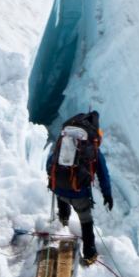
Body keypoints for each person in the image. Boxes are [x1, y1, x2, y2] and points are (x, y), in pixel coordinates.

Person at [46, 111, 112, 267]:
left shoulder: (64, 140)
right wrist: (107, 194)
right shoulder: (93, 149)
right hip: (79, 194)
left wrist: (53, 181)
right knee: (86, 222)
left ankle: (62, 224)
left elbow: (50, 161)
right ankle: (89, 255)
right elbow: (103, 174)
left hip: (59, 189)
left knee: (63, 205)